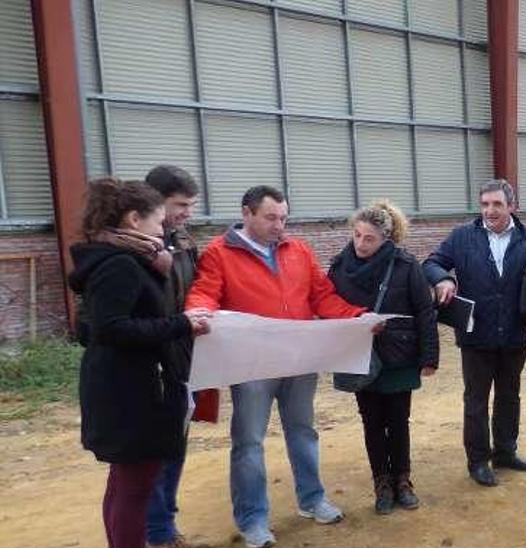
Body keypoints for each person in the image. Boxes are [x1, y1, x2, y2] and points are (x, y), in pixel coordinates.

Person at [185, 186, 367, 548]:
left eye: (283, 218)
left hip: (300, 360)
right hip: (252, 365)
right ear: (247, 213)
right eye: (270, 217)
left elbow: (322, 295)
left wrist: (358, 318)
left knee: (303, 431)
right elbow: (205, 291)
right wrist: (198, 310)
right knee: (249, 441)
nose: (279, 225)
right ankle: (252, 519)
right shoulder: (219, 253)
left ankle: (312, 499)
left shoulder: (297, 250)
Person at [68, 177, 211, 547]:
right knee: (134, 488)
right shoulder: (121, 265)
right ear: (134, 219)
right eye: (158, 219)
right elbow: (111, 328)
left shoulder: (124, 258)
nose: (162, 226)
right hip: (131, 391)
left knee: (126, 483)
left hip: (133, 385)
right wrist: (181, 323)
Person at [422, 179, 526, 487]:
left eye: (497, 204)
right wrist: (443, 279)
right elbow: (431, 263)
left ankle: (505, 452)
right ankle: (478, 461)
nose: (489, 210)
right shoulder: (461, 238)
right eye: (485, 204)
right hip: (476, 335)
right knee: (476, 400)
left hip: (515, 333)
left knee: (510, 396)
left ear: (512, 206)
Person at [327, 200, 439, 514]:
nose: (361, 243)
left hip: (399, 356)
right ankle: (382, 483)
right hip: (360, 357)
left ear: (385, 239)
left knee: (398, 421)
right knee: (372, 422)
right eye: (357, 235)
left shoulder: (405, 264)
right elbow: (328, 307)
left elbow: (424, 310)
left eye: (369, 238)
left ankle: (403, 480)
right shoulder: (339, 266)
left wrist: (429, 356)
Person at [140, 165, 208, 548]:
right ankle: (156, 533)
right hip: (149, 362)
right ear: (155, 201)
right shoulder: (132, 247)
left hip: (182, 357)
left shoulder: (182, 241)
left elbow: (196, 289)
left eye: (190, 205)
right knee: (153, 451)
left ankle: (164, 526)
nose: (187, 213)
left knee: (175, 445)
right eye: (180, 204)